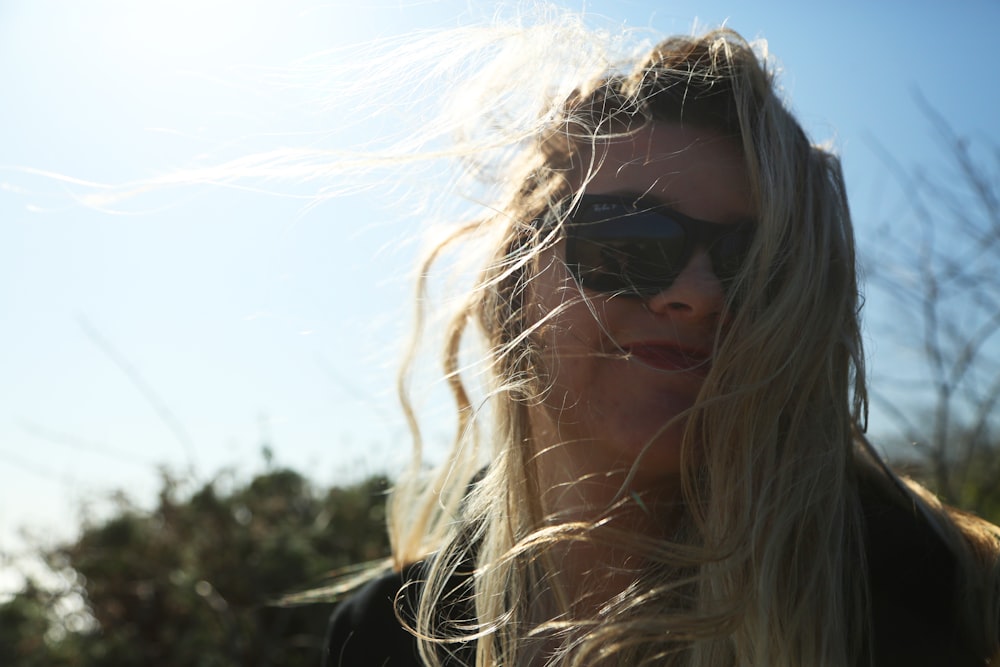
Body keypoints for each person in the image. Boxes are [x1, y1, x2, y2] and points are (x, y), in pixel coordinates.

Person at [322, 21, 1000, 667]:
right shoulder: (384, 631)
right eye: (629, 239)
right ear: (512, 284)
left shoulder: (932, 605)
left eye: (757, 262)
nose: (700, 293)